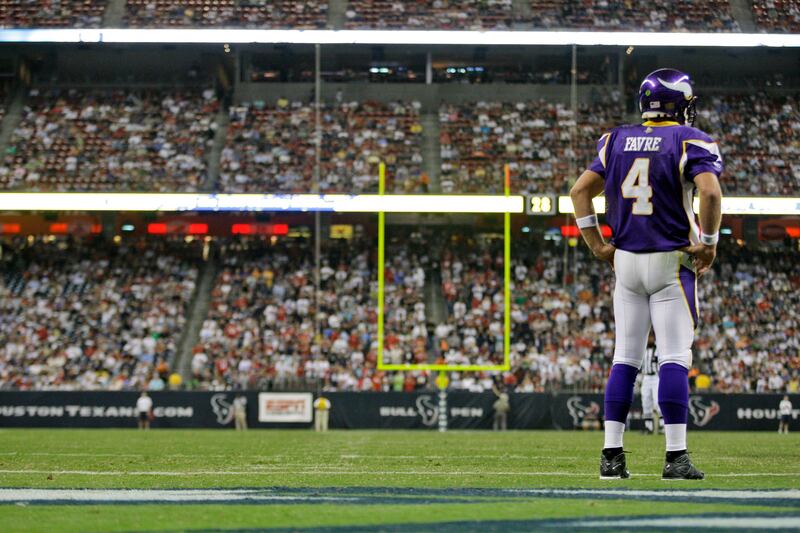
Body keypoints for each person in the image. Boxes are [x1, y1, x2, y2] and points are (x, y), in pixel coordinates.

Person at [571, 68, 723, 481]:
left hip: (626, 261)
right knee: (674, 356)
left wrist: (598, 245)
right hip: (671, 261)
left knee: (625, 357)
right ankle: (675, 457)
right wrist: (708, 242)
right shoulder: (690, 139)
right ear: (681, 103)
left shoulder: (614, 139)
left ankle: (611, 457)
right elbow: (709, 191)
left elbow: (578, 191)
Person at [640, 334, 662, 435]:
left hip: (656, 377)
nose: (650, 339)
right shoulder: (643, 349)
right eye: (648, 337)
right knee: (646, 401)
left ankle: (663, 425)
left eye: (651, 337)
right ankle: (648, 427)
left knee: (658, 401)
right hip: (646, 378)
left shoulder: (658, 349)